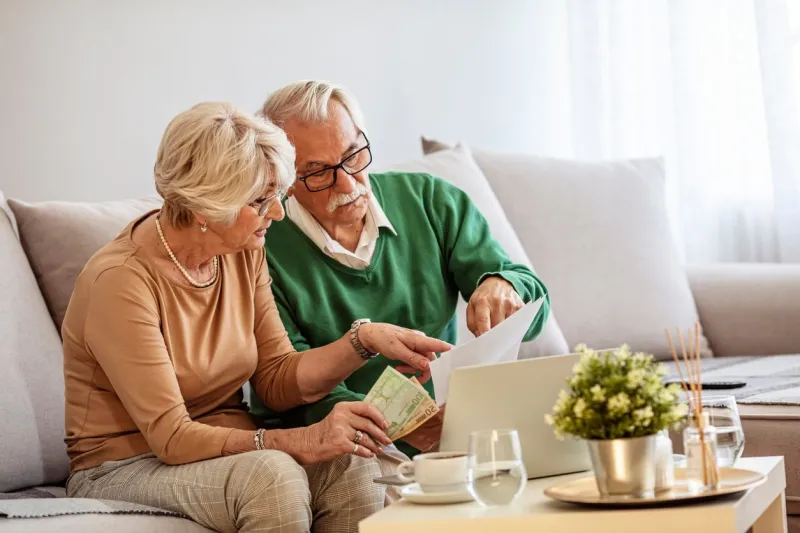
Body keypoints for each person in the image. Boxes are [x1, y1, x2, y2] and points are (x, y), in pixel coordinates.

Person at [62, 102, 450, 533]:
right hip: (125, 465)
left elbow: (277, 377)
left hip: (227, 450)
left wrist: (364, 340)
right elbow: (171, 438)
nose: (278, 214)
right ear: (208, 206)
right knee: (271, 475)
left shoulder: (242, 250)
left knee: (350, 463)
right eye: (262, 201)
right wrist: (301, 440)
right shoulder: (120, 281)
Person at [249, 81, 551, 481]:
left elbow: (537, 308)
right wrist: (399, 427)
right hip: (344, 445)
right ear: (283, 179)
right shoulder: (261, 249)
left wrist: (504, 285)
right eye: (319, 173)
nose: (349, 184)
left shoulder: (431, 201)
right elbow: (287, 389)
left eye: (354, 155)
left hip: (451, 432)